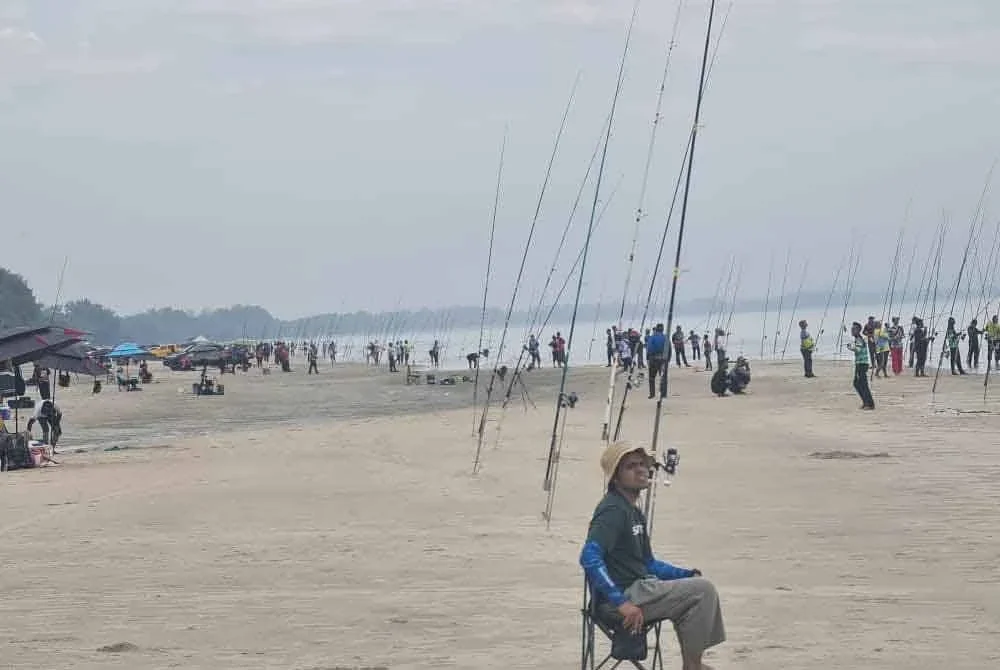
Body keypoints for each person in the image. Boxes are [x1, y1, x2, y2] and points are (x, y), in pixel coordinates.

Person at [580, 442, 726, 670]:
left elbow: (648, 563)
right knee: (703, 591)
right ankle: (693, 666)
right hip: (620, 599)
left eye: (642, 464)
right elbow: (589, 557)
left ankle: (692, 664)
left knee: (697, 586)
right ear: (615, 479)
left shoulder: (633, 512)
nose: (641, 470)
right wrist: (622, 603)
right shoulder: (613, 510)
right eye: (631, 466)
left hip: (641, 589)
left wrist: (685, 575)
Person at [846, 322, 875, 409]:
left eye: (854, 329)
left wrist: (850, 347)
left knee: (861, 384)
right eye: (852, 329)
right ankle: (867, 402)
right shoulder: (859, 339)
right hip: (861, 363)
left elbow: (858, 349)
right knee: (859, 383)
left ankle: (868, 403)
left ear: (858, 330)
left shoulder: (859, 339)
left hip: (862, 364)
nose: (852, 330)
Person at [645, 324, 667, 399]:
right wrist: (667, 359)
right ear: (663, 329)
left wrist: (647, 358)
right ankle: (663, 394)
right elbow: (669, 349)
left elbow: (649, 348)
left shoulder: (652, 337)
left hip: (653, 359)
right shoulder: (665, 337)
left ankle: (652, 394)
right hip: (663, 359)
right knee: (663, 377)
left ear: (656, 329)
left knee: (651, 378)